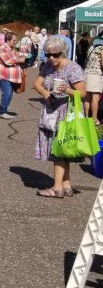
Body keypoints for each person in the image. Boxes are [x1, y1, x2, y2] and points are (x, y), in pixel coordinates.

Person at [32, 35, 87, 197]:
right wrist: (46, 93)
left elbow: (83, 94)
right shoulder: (47, 66)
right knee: (62, 149)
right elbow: (36, 83)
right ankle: (66, 184)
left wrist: (66, 90)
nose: (51, 58)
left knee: (59, 150)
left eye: (55, 54)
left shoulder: (73, 68)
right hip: (51, 112)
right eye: (48, 54)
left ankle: (56, 188)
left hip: (66, 113)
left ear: (64, 53)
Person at [0, 31, 25, 118]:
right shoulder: (3, 48)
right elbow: (7, 61)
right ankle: (2, 112)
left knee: (9, 94)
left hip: (11, 77)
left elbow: (15, 58)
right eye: (14, 40)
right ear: (8, 40)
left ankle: (4, 110)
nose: (15, 42)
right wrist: (19, 60)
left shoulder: (12, 49)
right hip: (4, 76)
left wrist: (22, 58)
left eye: (16, 40)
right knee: (7, 93)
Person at [84, 31, 103, 125]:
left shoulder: (92, 46)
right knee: (95, 98)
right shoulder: (102, 48)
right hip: (96, 74)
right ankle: (95, 119)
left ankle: (87, 117)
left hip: (87, 73)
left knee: (87, 97)